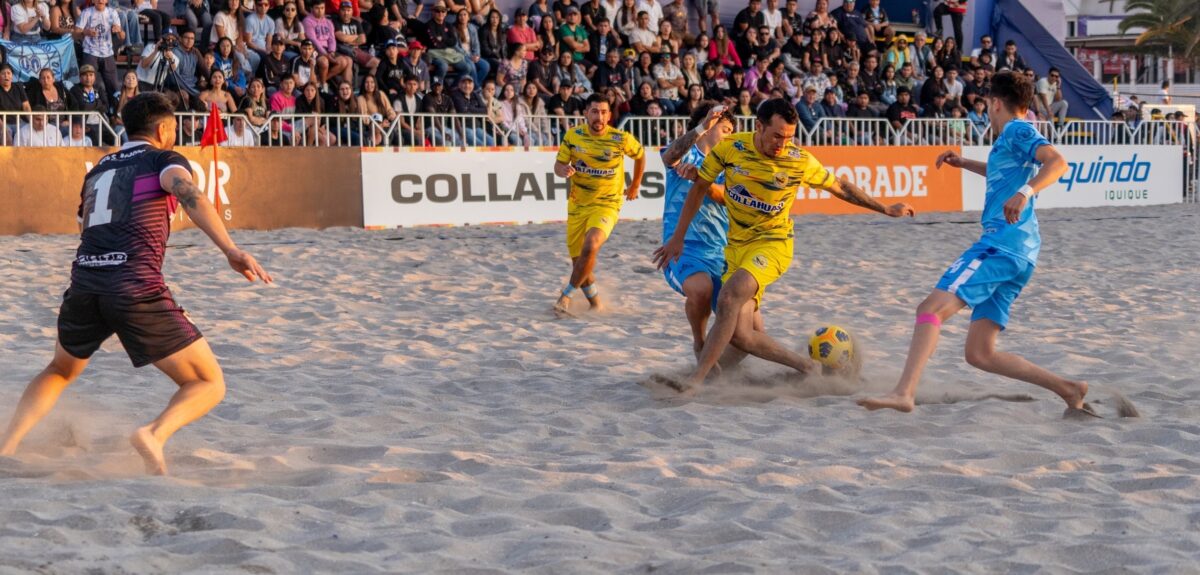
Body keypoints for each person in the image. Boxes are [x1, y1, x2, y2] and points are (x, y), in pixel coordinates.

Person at [0, 92, 272, 476]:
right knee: (209, 383)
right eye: (174, 128)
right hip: (134, 287)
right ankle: (154, 434)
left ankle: (7, 448)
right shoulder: (163, 159)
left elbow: (85, 226)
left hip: (85, 283)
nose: (175, 135)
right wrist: (230, 249)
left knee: (60, 370)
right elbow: (189, 193)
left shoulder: (98, 169)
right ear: (162, 129)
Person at [857, 71, 1084, 415]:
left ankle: (904, 392)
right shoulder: (1010, 139)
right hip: (1023, 254)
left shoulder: (1017, 129)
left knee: (929, 310)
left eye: (987, 105)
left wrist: (1024, 193)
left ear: (995, 103)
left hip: (1002, 244)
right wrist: (964, 163)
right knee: (980, 353)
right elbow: (1003, 173)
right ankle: (1068, 388)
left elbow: (1058, 162)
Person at [653, 98, 915, 394]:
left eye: (789, 136)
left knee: (729, 296)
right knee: (743, 336)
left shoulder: (798, 159)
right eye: (777, 135)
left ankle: (695, 380)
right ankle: (808, 367)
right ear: (759, 127)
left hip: (772, 245)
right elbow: (700, 187)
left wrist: (884, 208)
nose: (783, 143)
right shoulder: (732, 148)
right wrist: (677, 236)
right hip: (735, 248)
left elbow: (840, 186)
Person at [552, 93, 646, 316]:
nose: (599, 117)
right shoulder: (574, 136)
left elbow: (640, 156)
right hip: (577, 206)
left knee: (591, 245)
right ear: (586, 113)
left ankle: (566, 295)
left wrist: (635, 186)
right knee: (581, 261)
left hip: (607, 204)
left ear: (609, 115)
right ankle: (595, 304)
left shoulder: (620, 138)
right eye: (594, 111)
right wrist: (563, 170)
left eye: (604, 112)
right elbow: (558, 165)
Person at [658, 102, 734, 357]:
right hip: (683, 249)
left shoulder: (729, 165)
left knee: (747, 331)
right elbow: (669, 157)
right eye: (725, 129)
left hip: (722, 252)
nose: (729, 136)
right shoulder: (686, 154)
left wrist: (700, 178)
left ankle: (720, 364)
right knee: (701, 291)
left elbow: (726, 197)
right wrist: (703, 126)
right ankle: (700, 344)